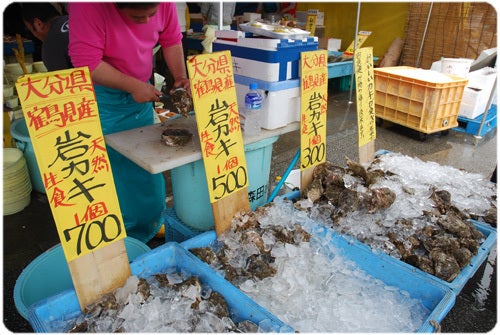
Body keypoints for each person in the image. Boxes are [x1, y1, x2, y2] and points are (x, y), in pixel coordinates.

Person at [68, 2, 190, 243]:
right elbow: (86, 62)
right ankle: (128, 238)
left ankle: (152, 224)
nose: (146, 21)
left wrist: (180, 76)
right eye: (136, 16)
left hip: (142, 89)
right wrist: (132, 86)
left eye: (151, 14)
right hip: (104, 97)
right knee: (118, 169)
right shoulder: (87, 7)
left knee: (147, 163)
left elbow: (171, 39)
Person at [21, 2, 73, 71]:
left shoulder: (50, 44)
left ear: (38, 24)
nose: (34, 35)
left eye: (31, 31)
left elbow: (59, 79)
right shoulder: (75, 18)